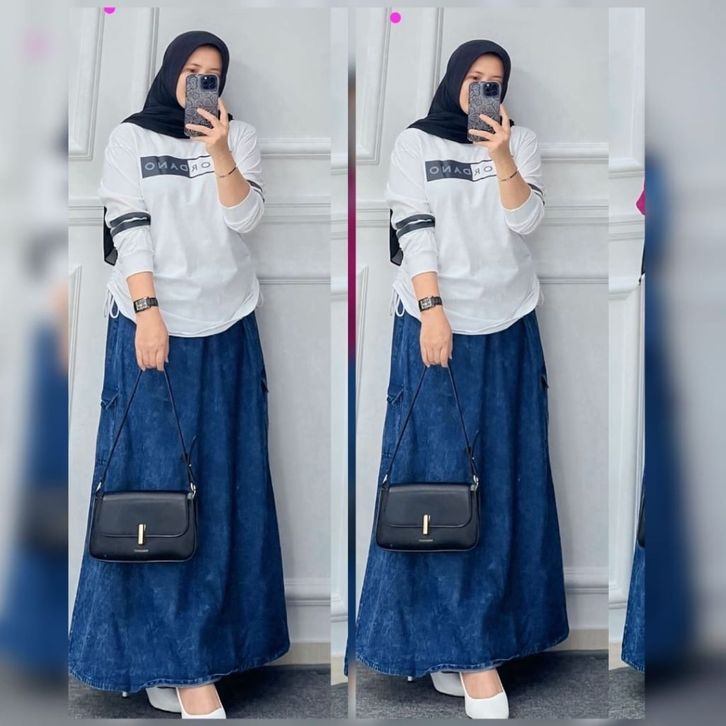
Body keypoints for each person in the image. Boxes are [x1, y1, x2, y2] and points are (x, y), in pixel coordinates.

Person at [68, 30, 290, 719]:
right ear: (170, 73)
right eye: (192, 71)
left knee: (219, 489)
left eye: (212, 75)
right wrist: (147, 313)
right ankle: (160, 661)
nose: (202, 84)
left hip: (227, 326)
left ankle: (203, 655)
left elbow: (245, 217)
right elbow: (128, 227)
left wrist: (220, 150)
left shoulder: (238, 137)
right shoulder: (130, 139)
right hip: (152, 328)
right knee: (150, 492)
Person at [349, 39, 569, 719]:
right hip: (436, 324)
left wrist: (501, 156)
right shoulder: (415, 143)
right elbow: (413, 228)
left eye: (495, 83)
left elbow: (526, 220)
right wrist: (432, 310)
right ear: (453, 82)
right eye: (474, 80)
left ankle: (480, 642)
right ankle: (460, 654)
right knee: (436, 482)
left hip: (509, 324)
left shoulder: (520, 143)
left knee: (501, 480)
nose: (483, 93)